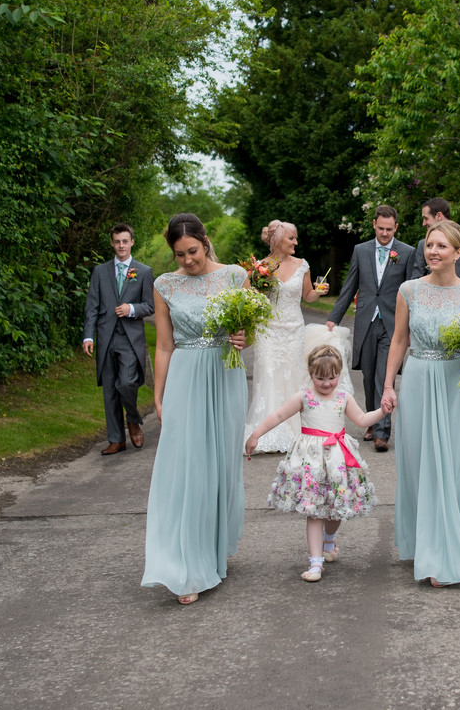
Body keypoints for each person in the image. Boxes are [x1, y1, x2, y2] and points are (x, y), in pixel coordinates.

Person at [382, 220, 460, 586]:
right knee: (420, 465)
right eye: (429, 245)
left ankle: (452, 549)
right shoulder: (409, 291)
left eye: (441, 246)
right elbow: (399, 340)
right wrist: (388, 385)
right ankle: (426, 545)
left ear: (458, 253)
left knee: (455, 465)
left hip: (455, 387)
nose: (433, 251)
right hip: (417, 379)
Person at [142, 213, 250, 605]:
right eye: (179, 255)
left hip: (225, 376)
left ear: (204, 241)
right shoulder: (164, 285)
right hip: (185, 377)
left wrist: (242, 337)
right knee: (185, 467)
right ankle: (184, 563)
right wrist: (158, 393)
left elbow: (247, 334)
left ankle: (213, 547)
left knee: (220, 465)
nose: (187, 261)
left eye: (192, 251)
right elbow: (164, 345)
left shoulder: (236, 276)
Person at [245, 344, 385, 583]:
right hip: (310, 463)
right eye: (320, 378)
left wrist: (382, 411)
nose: (326, 383)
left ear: (339, 374)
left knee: (335, 510)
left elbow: (362, 419)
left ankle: (329, 541)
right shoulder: (304, 397)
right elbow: (278, 415)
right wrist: (256, 434)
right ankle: (315, 563)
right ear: (311, 374)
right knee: (315, 511)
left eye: (332, 378)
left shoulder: (344, 397)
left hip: (337, 462)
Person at [326, 205, 413, 452]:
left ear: (396, 227)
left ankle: (382, 433)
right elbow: (349, 285)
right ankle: (373, 422)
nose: (385, 233)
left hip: (392, 324)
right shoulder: (361, 250)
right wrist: (334, 318)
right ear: (374, 224)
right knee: (367, 375)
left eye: (389, 229)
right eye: (381, 228)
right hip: (366, 321)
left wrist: (409, 328)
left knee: (383, 378)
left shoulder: (406, 252)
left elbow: (411, 291)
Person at [245, 220, 329, 454]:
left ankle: (294, 429)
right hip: (268, 330)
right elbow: (253, 298)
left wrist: (319, 292)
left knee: (293, 375)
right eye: (291, 237)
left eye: (295, 238)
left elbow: (307, 296)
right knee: (269, 373)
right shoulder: (260, 267)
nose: (295, 242)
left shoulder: (303, 265)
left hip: (294, 329)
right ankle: (267, 431)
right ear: (278, 239)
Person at [82, 223, 155, 455]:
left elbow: (150, 306)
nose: (121, 245)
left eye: (125, 241)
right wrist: (88, 336)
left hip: (130, 339)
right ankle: (116, 439)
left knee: (126, 383)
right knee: (110, 391)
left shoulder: (143, 271)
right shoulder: (100, 271)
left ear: (132, 242)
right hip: (105, 338)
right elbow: (91, 307)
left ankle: (133, 419)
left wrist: (131, 308)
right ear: (112, 243)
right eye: (117, 242)